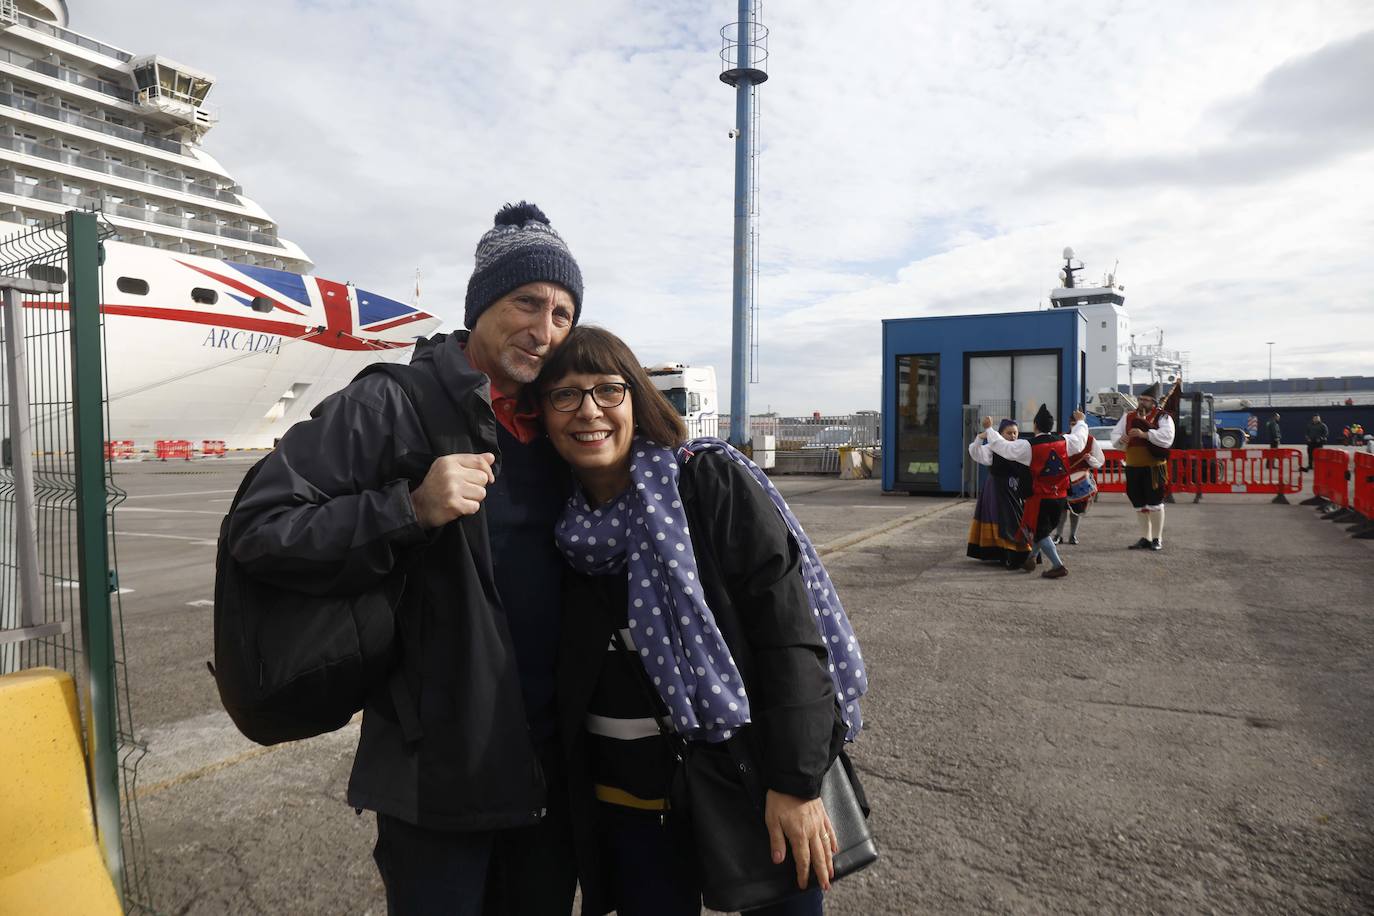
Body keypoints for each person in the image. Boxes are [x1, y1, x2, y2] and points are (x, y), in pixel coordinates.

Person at [226, 201, 585, 916]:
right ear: (481, 304)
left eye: (562, 315)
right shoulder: (392, 404)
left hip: (552, 768)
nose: (544, 331)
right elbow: (259, 528)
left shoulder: (561, 421)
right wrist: (407, 509)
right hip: (440, 771)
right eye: (526, 302)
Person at [540, 327, 865, 916]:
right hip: (628, 800)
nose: (588, 410)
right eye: (565, 395)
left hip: (750, 777)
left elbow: (788, 635)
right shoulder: (560, 527)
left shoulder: (707, 482)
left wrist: (794, 783)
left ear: (637, 399)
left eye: (608, 390)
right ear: (545, 415)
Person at [981, 404, 1087, 579]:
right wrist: (1081, 422)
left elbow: (1004, 448)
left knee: (1039, 532)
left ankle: (1058, 565)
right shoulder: (1065, 441)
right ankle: (1030, 559)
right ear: (1051, 426)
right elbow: (1081, 438)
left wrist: (989, 429)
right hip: (1060, 496)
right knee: (1040, 530)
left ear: (1035, 426)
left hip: (1040, 498)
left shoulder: (1028, 446)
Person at [1111, 383, 1176, 550]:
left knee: (1155, 502)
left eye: (1146, 400)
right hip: (1133, 466)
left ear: (1153, 402)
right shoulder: (1128, 416)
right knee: (1138, 502)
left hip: (1154, 467)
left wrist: (1145, 434)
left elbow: (1167, 437)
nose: (1142, 402)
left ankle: (1157, 538)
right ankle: (1145, 537)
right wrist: (1122, 440)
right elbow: (1116, 435)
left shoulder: (1162, 417)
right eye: (1141, 399)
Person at [966, 419, 1032, 569]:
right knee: (1000, 518)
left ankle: (1020, 552)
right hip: (996, 488)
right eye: (1009, 433)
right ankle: (1003, 553)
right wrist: (979, 438)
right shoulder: (993, 448)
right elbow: (975, 453)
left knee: (1016, 518)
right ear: (1000, 434)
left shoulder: (1020, 447)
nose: (1013, 436)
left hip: (1015, 488)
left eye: (1015, 432)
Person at [1054, 410, 1105, 546]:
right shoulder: (1063, 438)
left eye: (1075, 424)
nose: (1073, 427)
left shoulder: (1090, 440)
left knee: (1076, 510)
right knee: (1062, 510)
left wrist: (1090, 459)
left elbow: (1100, 462)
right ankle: (1058, 535)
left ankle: (1073, 535)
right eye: (1071, 424)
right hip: (1063, 480)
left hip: (1080, 479)